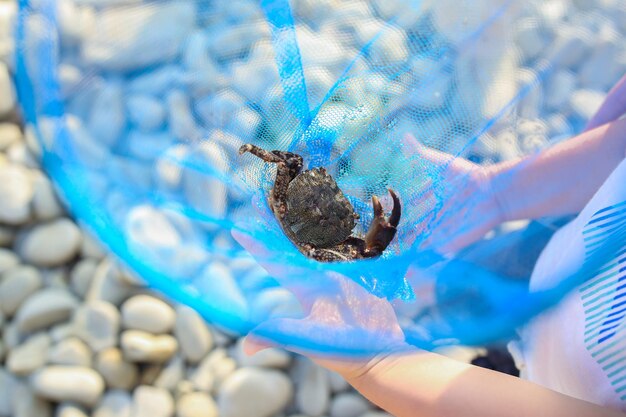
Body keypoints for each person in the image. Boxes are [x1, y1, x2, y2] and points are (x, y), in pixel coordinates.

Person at [234, 74, 626, 417]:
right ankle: (469, 335)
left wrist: (382, 364)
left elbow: (340, 244)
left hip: (567, 381)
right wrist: (496, 193)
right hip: (566, 246)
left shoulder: (318, 224)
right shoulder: (321, 219)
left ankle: (492, 369)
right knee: (470, 283)